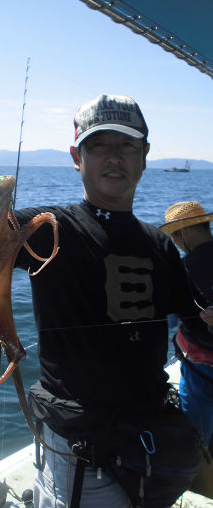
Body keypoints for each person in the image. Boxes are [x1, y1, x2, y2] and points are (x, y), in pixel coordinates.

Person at [0, 94, 213, 508]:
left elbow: (197, 316)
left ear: (144, 156)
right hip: (82, 464)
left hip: (151, 448)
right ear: (77, 157)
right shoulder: (50, 230)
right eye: (98, 146)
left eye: (126, 145)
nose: (113, 157)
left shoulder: (159, 246)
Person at [160, 201, 213, 496]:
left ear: (183, 234)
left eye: (175, 237)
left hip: (200, 371)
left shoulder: (183, 269)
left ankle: (190, 477)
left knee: (196, 433)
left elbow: (165, 319)